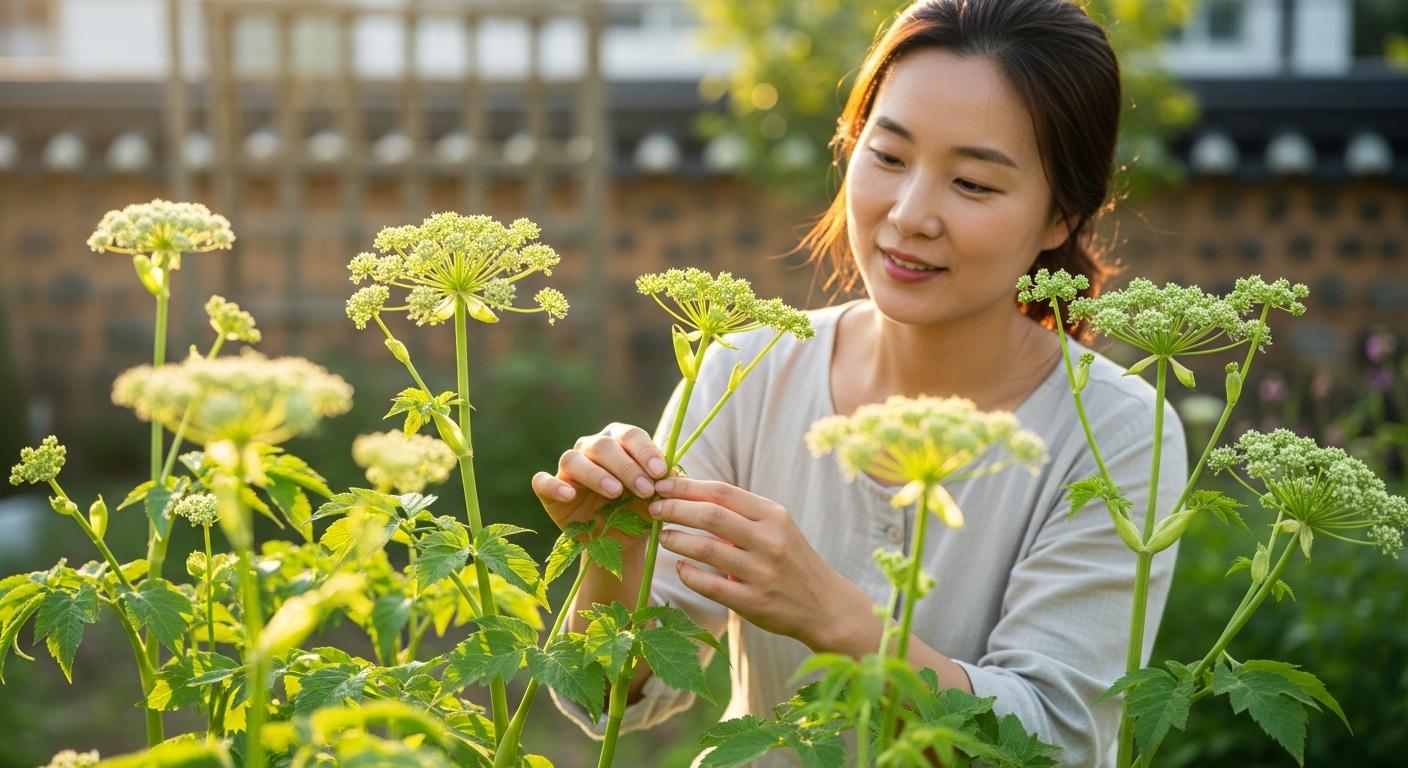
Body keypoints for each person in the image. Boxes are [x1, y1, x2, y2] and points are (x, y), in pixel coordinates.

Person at [533, 1, 1186, 765]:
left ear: (1061, 217)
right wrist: (618, 556)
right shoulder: (749, 371)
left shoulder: (1112, 432)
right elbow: (609, 698)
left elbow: (1053, 741)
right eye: (888, 155)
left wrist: (834, 617)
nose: (910, 215)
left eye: (972, 183)